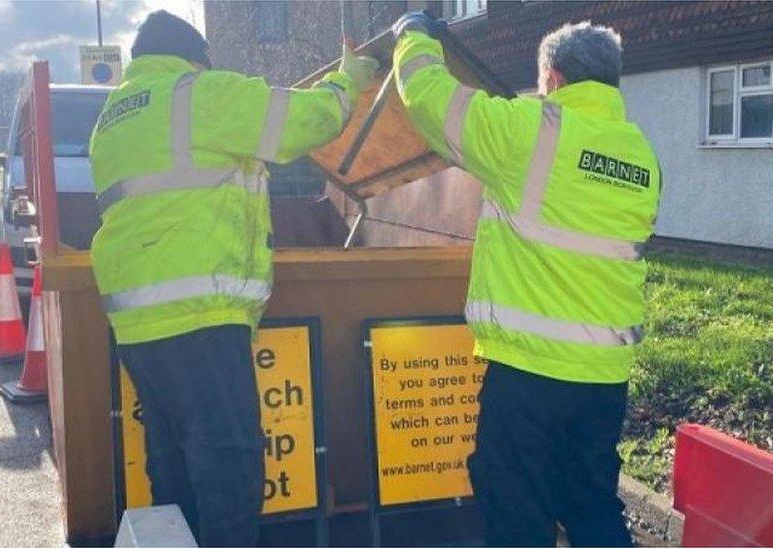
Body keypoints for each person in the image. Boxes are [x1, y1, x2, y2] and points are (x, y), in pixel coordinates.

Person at [89, 10, 378, 546]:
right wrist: (349, 80)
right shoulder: (199, 93)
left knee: (172, 464)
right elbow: (303, 121)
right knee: (230, 467)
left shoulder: (115, 114)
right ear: (196, 58)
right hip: (200, 313)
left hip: (137, 320)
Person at [391, 13, 662, 547]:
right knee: (592, 506)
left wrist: (412, 37)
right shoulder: (642, 156)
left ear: (553, 78)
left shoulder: (531, 130)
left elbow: (429, 99)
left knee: (516, 511)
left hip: (530, 374)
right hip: (604, 377)